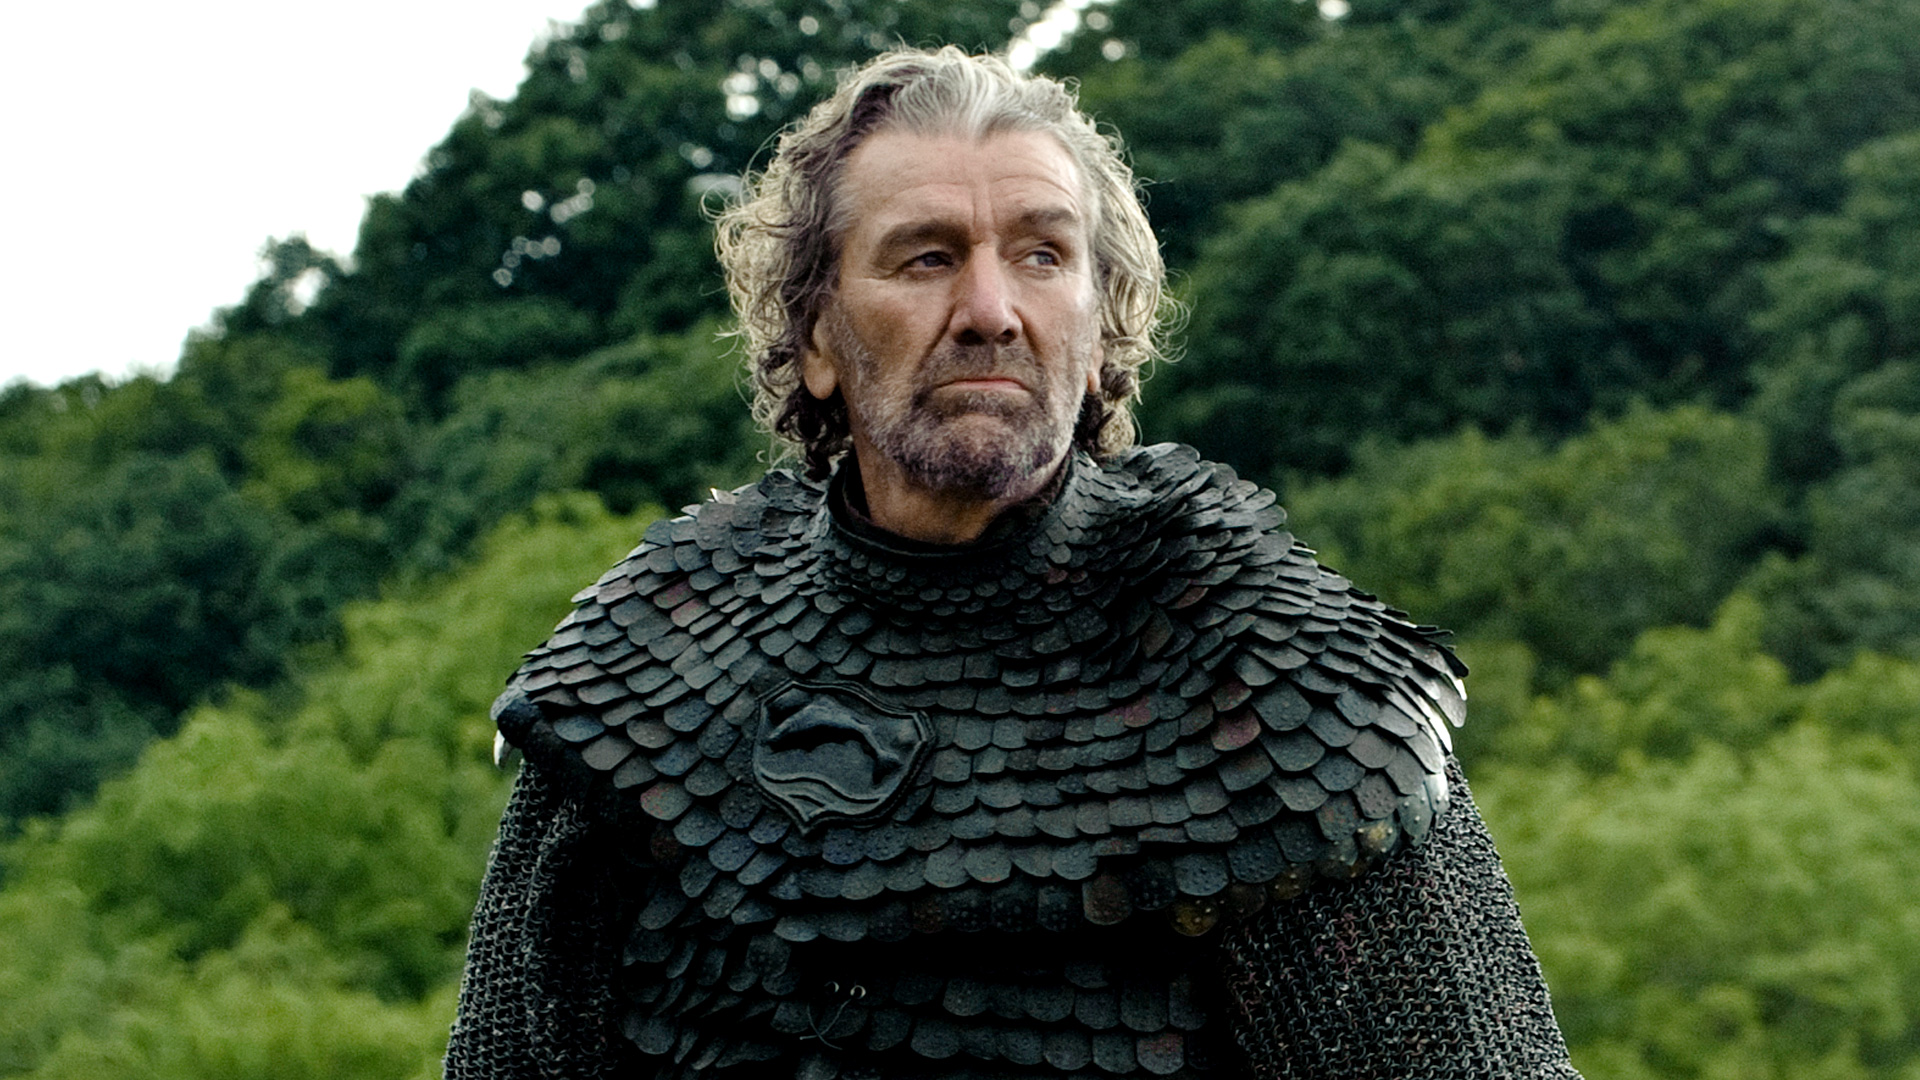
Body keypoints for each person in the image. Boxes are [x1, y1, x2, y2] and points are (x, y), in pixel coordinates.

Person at [445, 46, 1582, 1080]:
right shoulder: (647, 668)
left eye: (1043, 254)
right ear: (817, 337)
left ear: (1097, 334)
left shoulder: (1279, 692)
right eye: (926, 258)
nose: (989, 310)